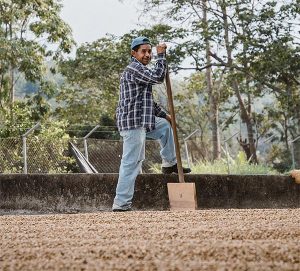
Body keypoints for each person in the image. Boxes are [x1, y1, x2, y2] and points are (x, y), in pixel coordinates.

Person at [112, 36, 191, 212]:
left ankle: (169, 163)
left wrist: (166, 115)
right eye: (143, 51)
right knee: (132, 162)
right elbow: (158, 77)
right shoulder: (134, 69)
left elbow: (148, 102)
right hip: (133, 123)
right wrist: (161, 56)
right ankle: (121, 203)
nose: (147, 55)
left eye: (150, 51)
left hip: (144, 120)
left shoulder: (141, 71)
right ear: (134, 53)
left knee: (164, 126)